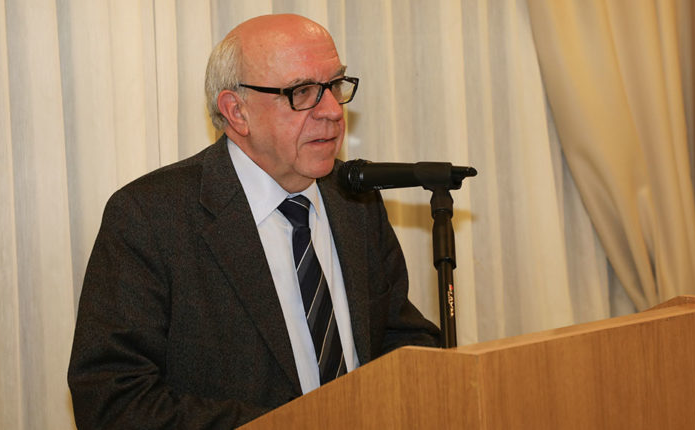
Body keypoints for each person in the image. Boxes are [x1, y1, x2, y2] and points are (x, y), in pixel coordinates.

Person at [68, 13, 439, 429]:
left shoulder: (354, 196)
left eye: (335, 85)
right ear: (236, 111)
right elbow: (112, 400)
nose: (333, 111)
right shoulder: (149, 216)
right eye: (302, 92)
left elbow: (399, 335)